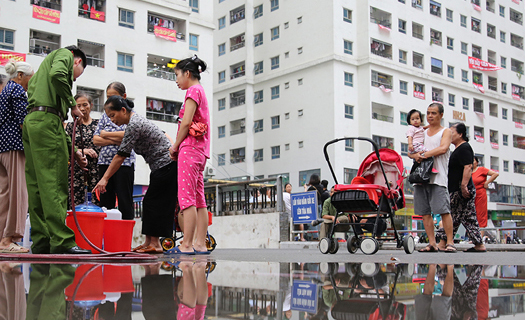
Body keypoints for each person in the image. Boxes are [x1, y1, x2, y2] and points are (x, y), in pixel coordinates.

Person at [23, 46, 90, 254]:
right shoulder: (65, 55)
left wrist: (75, 150)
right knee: (53, 182)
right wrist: (72, 104)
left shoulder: (39, 75)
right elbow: (58, 74)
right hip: (47, 120)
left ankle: (41, 241)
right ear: (77, 61)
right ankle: (62, 241)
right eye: (79, 74)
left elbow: (55, 129)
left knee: (36, 185)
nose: (75, 79)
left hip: (33, 122)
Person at [93, 96, 177, 253]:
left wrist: (104, 178)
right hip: (159, 166)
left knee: (154, 202)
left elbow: (121, 155)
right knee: (149, 202)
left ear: (123, 110)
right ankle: (148, 243)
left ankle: (156, 244)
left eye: (113, 115)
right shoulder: (133, 123)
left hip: (167, 165)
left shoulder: (134, 124)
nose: (112, 120)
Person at [168, 55, 210, 255]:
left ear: (187, 73)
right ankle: (200, 244)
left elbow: (185, 123)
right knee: (199, 199)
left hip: (190, 149)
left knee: (186, 199)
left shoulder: (193, 91)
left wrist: (175, 146)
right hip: (201, 151)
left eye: (177, 75)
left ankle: (186, 244)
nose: (176, 80)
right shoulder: (201, 90)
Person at [408, 103, 455, 253]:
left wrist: (424, 155)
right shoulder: (421, 132)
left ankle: (450, 242)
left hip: (438, 177)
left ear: (441, 115)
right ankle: (432, 243)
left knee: (443, 210)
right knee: (424, 212)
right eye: (428, 113)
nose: (430, 116)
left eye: (434, 113)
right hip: (421, 177)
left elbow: (443, 148)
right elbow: (411, 151)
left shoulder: (445, 131)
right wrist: (415, 155)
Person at [436, 123, 487, 253]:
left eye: (452, 133)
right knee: (463, 217)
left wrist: (464, 186)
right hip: (457, 189)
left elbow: (468, 167)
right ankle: (477, 244)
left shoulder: (464, 148)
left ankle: (444, 242)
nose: (449, 135)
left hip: (461, 189)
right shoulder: (459, 148)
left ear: (460, 134)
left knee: (452, 215)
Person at [0, 60, 33, 253]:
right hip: (14, 145)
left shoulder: (4, 91)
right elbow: (24, 123)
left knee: (4, 193)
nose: (31, 83)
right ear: (20, 76)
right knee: (18, 193)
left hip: (2, 146)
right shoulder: (18, 91)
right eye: (30, 78)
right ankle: (9, 238)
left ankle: (2, 239)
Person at [92, 82, 136, 220]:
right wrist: (114, 138)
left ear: (123, 96)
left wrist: (105, 134)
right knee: (105, 201)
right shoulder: (105, 115)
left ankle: (125, 235)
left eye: (114, 97)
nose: (110, 101)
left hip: (124, 163)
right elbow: (96, 139)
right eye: (108, 97)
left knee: (124, 200)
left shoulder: (131, 115)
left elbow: (128, 136)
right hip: (104, 162)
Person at [64, 93, 100, 207]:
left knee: (95, 201)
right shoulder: (70, 126)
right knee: (75, 202)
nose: (82, 109)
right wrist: (80, 150)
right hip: (75, 171)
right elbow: (65, 147)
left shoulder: (98, 124)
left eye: (85, 105)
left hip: (95, 170)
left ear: (91, 105)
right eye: (78, 106)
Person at [472, 156, 499, 238]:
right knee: (471, 215)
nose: (471, 162)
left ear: (477, 162)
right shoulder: (467, 171)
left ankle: (480, 237)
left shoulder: (481, 169)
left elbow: (495, 174)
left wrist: (487, 182)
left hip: (480, 194)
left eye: (473, 161)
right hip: (471, 195)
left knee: (481, 215)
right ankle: (472, 236)